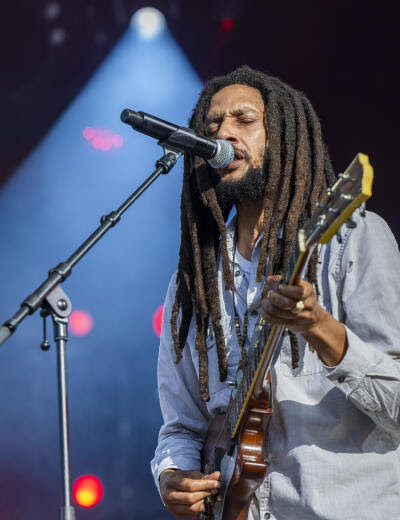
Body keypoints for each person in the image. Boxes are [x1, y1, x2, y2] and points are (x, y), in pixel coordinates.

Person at [151, 66, 400, 520]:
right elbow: (183, 426)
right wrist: (173, 475)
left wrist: (322, 330)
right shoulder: (193, 283)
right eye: (211, 127)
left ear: (284, 135)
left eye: (243, 120)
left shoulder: (353, 241)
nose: (224, 133)